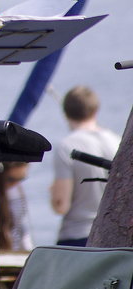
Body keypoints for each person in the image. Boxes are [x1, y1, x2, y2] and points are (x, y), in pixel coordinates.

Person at [51, 85, 121, 245]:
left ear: (66, 112)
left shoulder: (67, 146)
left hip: (77, 236)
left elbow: (61, 205)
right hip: (112, 235)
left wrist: (53, 193)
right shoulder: (117, 141)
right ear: (95, 110)